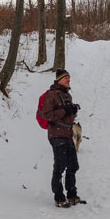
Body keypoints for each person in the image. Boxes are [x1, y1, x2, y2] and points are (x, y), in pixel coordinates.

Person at [38, 69, 83, 207]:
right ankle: (59, 197)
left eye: (69, 78)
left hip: (67, 134)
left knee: (73, 166)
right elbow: (47, 115)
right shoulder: (52, 95)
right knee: (60, 166)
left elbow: (66, 115)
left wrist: (73, 110)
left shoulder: (66, 95)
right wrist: (66, 110)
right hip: (56, 135)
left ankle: (72, 195)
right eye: (65, 78)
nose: (68, 80)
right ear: (59, 80)